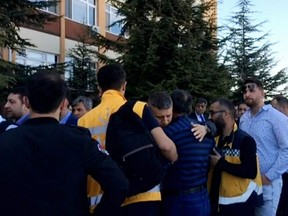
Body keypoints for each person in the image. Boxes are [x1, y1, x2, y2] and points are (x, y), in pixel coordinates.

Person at [0, 70, 129, 216]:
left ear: (26, 102)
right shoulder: (79, 141)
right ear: (63, 104)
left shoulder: (5, 141)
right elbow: (119, 184)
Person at [78, 63, 177, 216]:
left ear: (100, 88)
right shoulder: (138, 108)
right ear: (124, 86)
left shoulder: (83, 120)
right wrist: (173, 157)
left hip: (102, 202)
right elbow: (166, 147)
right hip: (143, 196)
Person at [161, 89, 214, 216]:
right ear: (190, 107)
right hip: (202, 196)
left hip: (178, 199)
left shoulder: (169, 133)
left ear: (171, 106)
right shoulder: (204, 131)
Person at [239, 78, 288, 216]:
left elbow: (287, 150)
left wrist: (269, 176)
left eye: (251, 89)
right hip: (246, 182)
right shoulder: (244, 118)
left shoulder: (276, 117)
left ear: (262, 93)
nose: (247, 93)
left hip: (268, 183)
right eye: (245, 90)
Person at [209, 98, 262, 216]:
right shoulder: (215, 139)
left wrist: (221, 164)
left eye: (212, 113)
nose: (209, 117)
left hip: (240, 205)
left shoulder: (245, 140)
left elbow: (250, 171)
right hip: (216, 203)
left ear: (226, 114)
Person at [271, 95, 288, 216]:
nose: (272, 112)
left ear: (284, 108)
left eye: (274, 108)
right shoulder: (273, 124)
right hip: (277, 174)